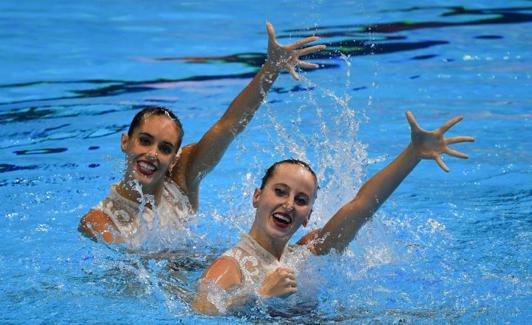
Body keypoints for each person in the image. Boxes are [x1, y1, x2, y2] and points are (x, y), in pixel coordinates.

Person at [193, 112, 475, 315]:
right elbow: (201, 312)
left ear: (307, 216)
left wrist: (413, 153)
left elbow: (361, 206)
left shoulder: (304, 255)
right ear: (257, 196)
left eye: (301, 200)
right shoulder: (231, 267)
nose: (289, 204)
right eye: (280, 191)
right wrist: (260, 296)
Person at [78, 22, 326, 245]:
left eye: (165, 148)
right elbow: (129, 262)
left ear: (175, 158)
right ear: (125, 142)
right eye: (145, 141)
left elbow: (228, 126)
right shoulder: (99, 219)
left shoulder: (181, 180)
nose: (152, 154)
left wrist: (270, 69)